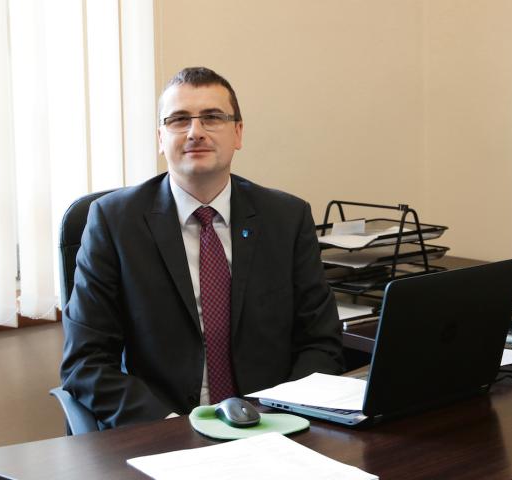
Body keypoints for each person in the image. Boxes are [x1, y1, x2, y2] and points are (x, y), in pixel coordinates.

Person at [60, 67, 344, 429]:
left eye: (212, 117)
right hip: (164, 428)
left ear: (238, 133)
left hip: (272, 425)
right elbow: (86, 363)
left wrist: (280, 415)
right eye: (179, 120)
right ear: (160, 138)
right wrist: (169, 426)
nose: (195, 131)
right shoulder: (113, 222)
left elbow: (321, 342)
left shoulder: (287, 218)